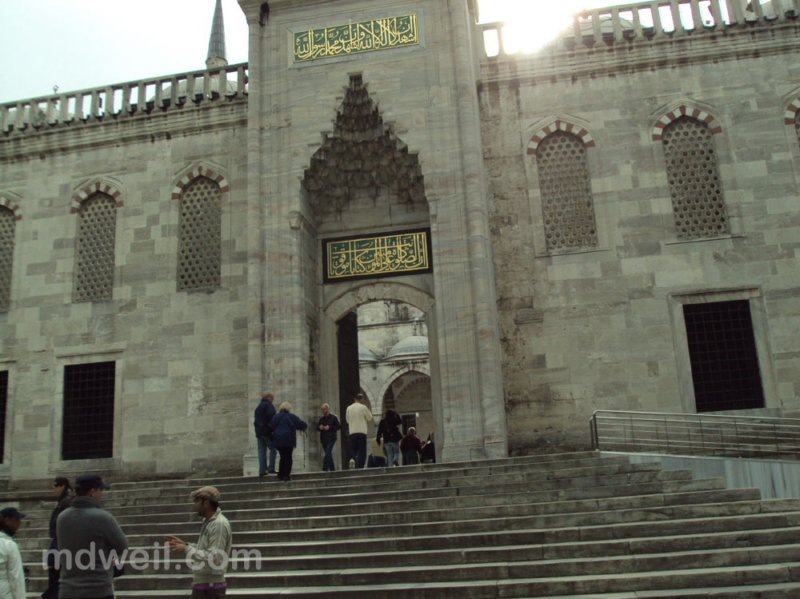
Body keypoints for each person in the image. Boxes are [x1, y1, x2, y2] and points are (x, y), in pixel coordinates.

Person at [56, 473, 127, 599]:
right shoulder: (103, 518)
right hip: (98, 589)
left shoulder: (62, 517)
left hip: (67, 590)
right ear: (92, 492)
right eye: (101, 490)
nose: (102, 494)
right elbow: (122, 547)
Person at [166, 486, 232, 599]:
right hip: (204, 584)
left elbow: (215, 557)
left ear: (206, 502)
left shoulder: (218, 524)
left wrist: (187, 549)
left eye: (197, 501)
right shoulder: (209, 522)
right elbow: (205, 549)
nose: (195, 505)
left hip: (211, 587)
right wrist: (186, 545)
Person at [42, 477, 72, 599]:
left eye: (55, 486)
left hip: (60, 544)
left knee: (55, 580)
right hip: (58, 543)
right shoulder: (62, 501)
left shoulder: (66, 502)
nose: (53, 489)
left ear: (62, 486)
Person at [269, 402, 308, 481]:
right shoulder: (291, 416)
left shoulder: (275, 417)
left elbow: (270, 426)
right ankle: (286, 475)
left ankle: (280, 474)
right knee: (288, 457)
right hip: (288, 439)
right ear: (288, 409)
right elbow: (302, 424)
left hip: (278, 440)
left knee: (283, 457)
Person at [0, 507, 26, 599]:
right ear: (7, 520)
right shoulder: (9, 545)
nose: (19, 523)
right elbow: (16, 578)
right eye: (17, 520)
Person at [345, 393, 373, 469]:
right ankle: (360, 466)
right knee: (362, 450)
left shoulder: (349, 408)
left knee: (354, 448)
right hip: (362, 431)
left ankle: (353, 459)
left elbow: (347, 420)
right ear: (362, 399)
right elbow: (370, 418)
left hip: (352, 432)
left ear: (355, 399)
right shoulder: (363, 407)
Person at [253, 392, 277, 476]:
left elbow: (256, 421)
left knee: (262, 451)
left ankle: (262, 470)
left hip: (259, 432)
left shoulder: (258, 407)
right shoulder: (268, 405)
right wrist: (271, 430)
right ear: (269, 397)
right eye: (272, 398)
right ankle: (271, 468)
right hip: (267, 432)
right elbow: (273, 418)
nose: (273, 400)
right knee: (273, 449)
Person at [316, 403, 341, 472]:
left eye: (324, 409)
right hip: (323, 439)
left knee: (327, 452)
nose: (323, 411)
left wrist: (330, 427)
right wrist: (320, 427)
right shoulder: (321, 419)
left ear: (327, 409)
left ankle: (324, 469)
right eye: (322, 410)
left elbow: (338, 426)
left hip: (331, 437)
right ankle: (332, 470)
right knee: (329, 454)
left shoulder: (334, 417)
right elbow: (317, 427)